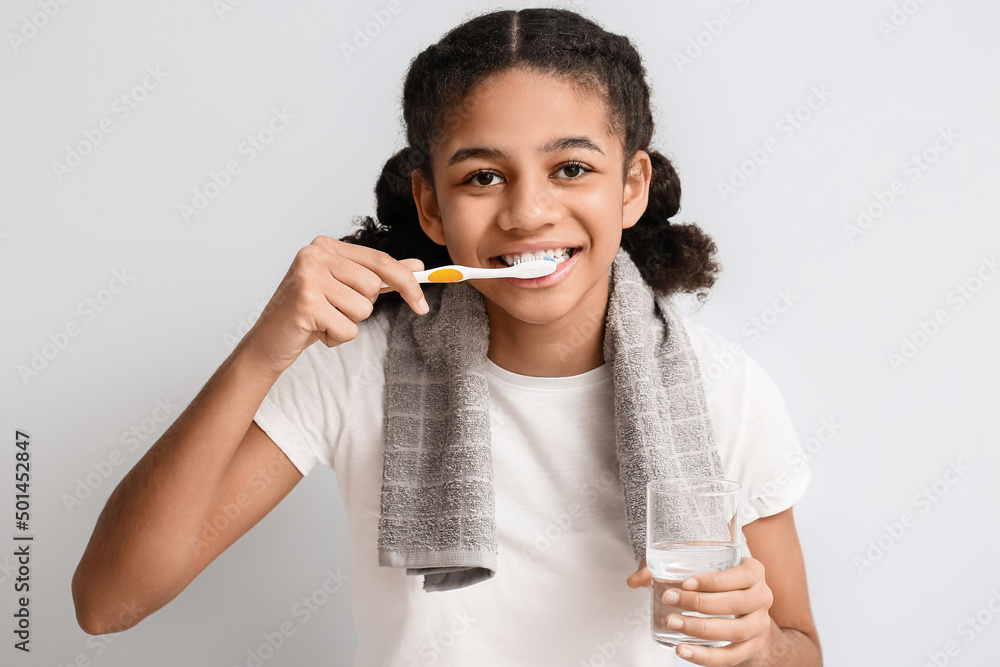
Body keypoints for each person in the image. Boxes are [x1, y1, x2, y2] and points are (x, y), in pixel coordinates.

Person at [72, 8, 821, 666]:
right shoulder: (358, 367)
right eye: (483, 178)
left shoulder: (725, 388)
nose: (528, 212)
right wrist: (264, 350)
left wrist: (758, 647)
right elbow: (109, 601)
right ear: (430, 207)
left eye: (570, 167)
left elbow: (802, 650)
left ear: (631, 187)